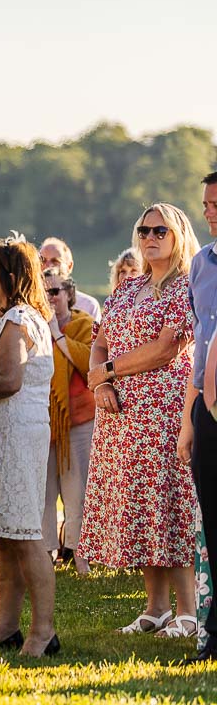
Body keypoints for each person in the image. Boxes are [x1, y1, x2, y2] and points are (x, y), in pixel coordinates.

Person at [79, 202, 200, 639]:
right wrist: (101, 384)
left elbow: (167, 348)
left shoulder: (187, 286)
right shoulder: (126, 289)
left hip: (168, 411)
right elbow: (99, 342)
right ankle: (156, 608)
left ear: (178, 235)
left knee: (172, 504)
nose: (150, 238)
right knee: (141, 506)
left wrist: (110, 370)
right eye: (144, 230)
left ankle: (188, 612)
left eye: (160, 231)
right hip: (123, 415)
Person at [0, 238, 57, 657]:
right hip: (2, 433)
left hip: (18, 436)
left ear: (11, 277)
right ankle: (6, 626)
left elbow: (9, 381)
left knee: (26, 533)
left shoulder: (19, 318)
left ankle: (43, 632)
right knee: (6, 535)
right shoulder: (1, 316)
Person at [179, 170, 217, 662]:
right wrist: (190, 418)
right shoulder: (202, 264)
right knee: (213, 519)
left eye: (216, 203)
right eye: (206, 203)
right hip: (205, 406)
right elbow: (200, 344)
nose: (209, 210)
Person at [39, 271, 95, 576]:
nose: (51, 297)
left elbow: (89, 362)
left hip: (79, 421)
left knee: (78, 493)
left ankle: (80, 555)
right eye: (45, 292)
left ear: (68, 294)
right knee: (45, 493)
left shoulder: (84, 324)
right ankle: (46, 554)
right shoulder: (33, 327)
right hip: (45, 422)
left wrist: (58, 337)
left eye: (56, 291)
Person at [38, 238, 101, 318]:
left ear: (69, 266)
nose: (47, 266)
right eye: (43, 261)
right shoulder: (31, 302)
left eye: (55, 261)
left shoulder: (88, 306)